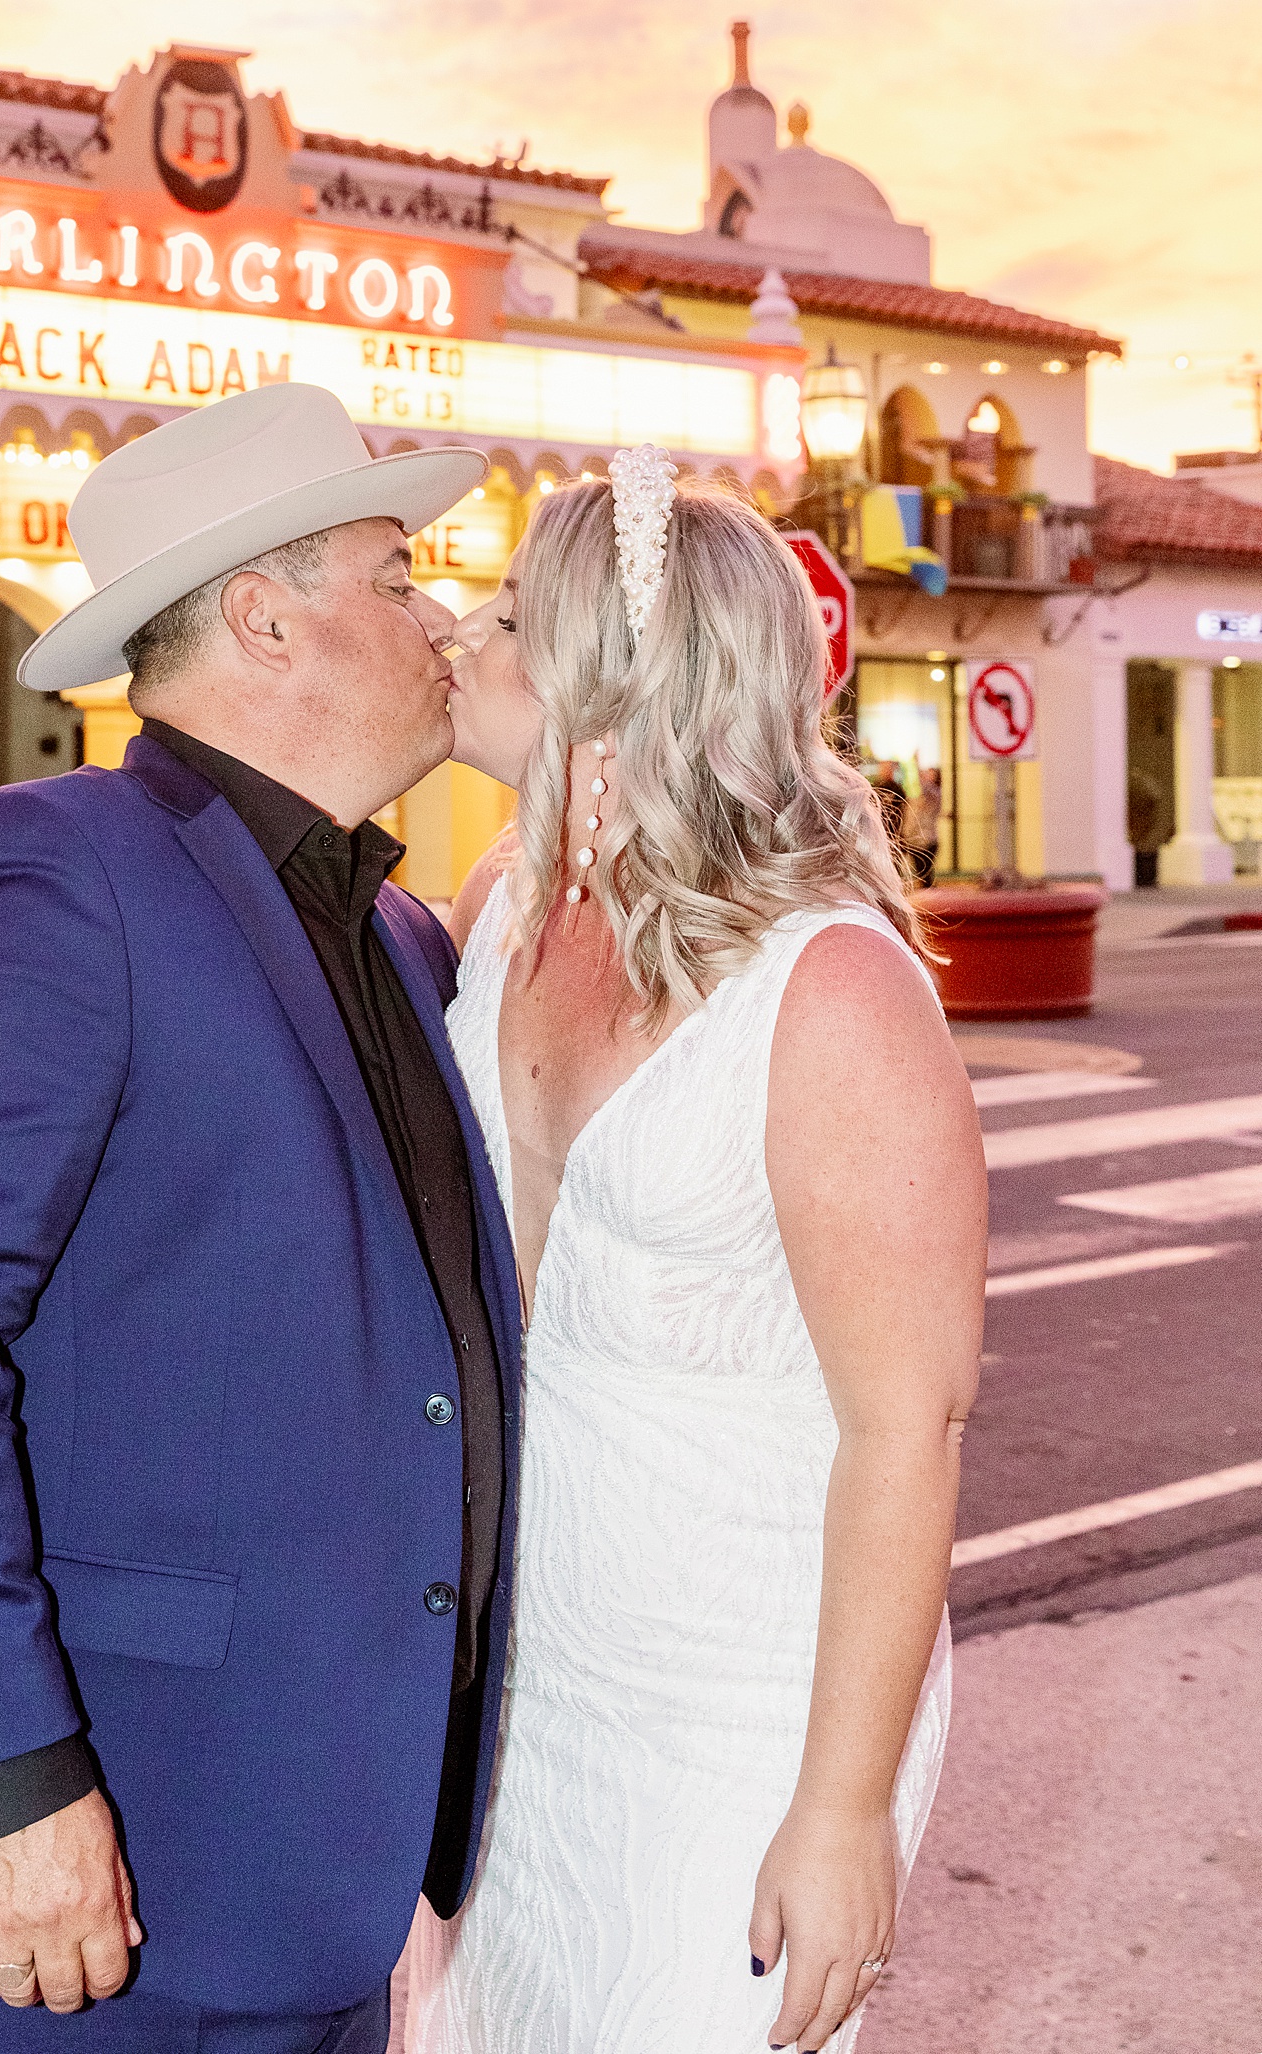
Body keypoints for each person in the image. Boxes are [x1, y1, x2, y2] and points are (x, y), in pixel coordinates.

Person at [0, 383, 521, 2054]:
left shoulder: (400, 931)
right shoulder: (52, 871)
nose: (436, 620)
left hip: (325, 1848)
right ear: (267, 616)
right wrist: (3, 1781)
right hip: (109, 1852)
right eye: (398, 576)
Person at [404, 456, 987, 2054]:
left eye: (516, 616)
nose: (465, 630)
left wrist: (843, 1805)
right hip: (531, 1670)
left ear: (618, 678)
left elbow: (905, 1420)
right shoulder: (501, 904)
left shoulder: (833, 992)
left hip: (742, 1688)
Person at [899, 763, 943, 889]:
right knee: (921, 875)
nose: (926, 775)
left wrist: (915, 765)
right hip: (914, 840)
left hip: (926, 841)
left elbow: (926, 787)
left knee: (924, 876)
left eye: (930, 773)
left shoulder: (935, 795)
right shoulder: (918, 798)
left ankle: (930, 898)